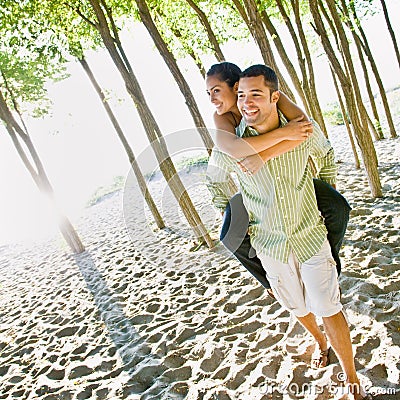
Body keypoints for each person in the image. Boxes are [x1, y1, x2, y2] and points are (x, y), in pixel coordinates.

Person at [206, 64, 370, 400]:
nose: (247, 102)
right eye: (242, 96)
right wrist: (233, 213)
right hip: (269, 244)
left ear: (273, 97)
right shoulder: (232, 141)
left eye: (256, 95)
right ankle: (318, 340)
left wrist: (324, 193)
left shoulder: (298, 128)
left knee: (328, 305)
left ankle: (352, 381)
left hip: (310, 234)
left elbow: (325, 153)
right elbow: (215, 179)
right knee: (296, 306)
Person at [206, 62, 350, 301]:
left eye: (217, 90)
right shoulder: (222, 119)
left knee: (338, 207)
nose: (212, 98)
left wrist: (327, 181)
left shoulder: (274, 100)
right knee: (229, 235)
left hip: (294, 182)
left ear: (236, 87)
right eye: (208, 92)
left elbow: (304, 126)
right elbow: (233, 150)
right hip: (253, 189)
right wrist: (224, 208)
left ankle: (332, 262)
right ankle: (269, 282)